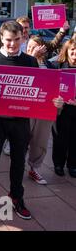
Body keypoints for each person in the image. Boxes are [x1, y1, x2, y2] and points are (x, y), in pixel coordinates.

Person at [0, 21, 44, 221]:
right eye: (8, 40)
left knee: (18, 161)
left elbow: (39, 90)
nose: (12, 44)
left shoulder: (31, 61)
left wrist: (53, 100)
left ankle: (16, 197)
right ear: (2, 38)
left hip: (20, 121)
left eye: (17, 39)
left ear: (23, 37)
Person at [25, 36, 56, 184]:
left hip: (44, 109)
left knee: (40, 141)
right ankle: (17, 168)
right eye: (30, 47)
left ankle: (34, 168)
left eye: (36, 47)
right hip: (26, 108)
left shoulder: (50, 65)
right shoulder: (22, 62)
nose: (33, 50)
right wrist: (31, 58)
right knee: (21, 139)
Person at [52, 35, 76, 178]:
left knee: (75, 138)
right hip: (62, 110)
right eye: (72, 50)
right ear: (67, 51)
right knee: (60, 137)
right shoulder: (58, 66)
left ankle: (73, 165)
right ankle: (58, 164)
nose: (75, 53)